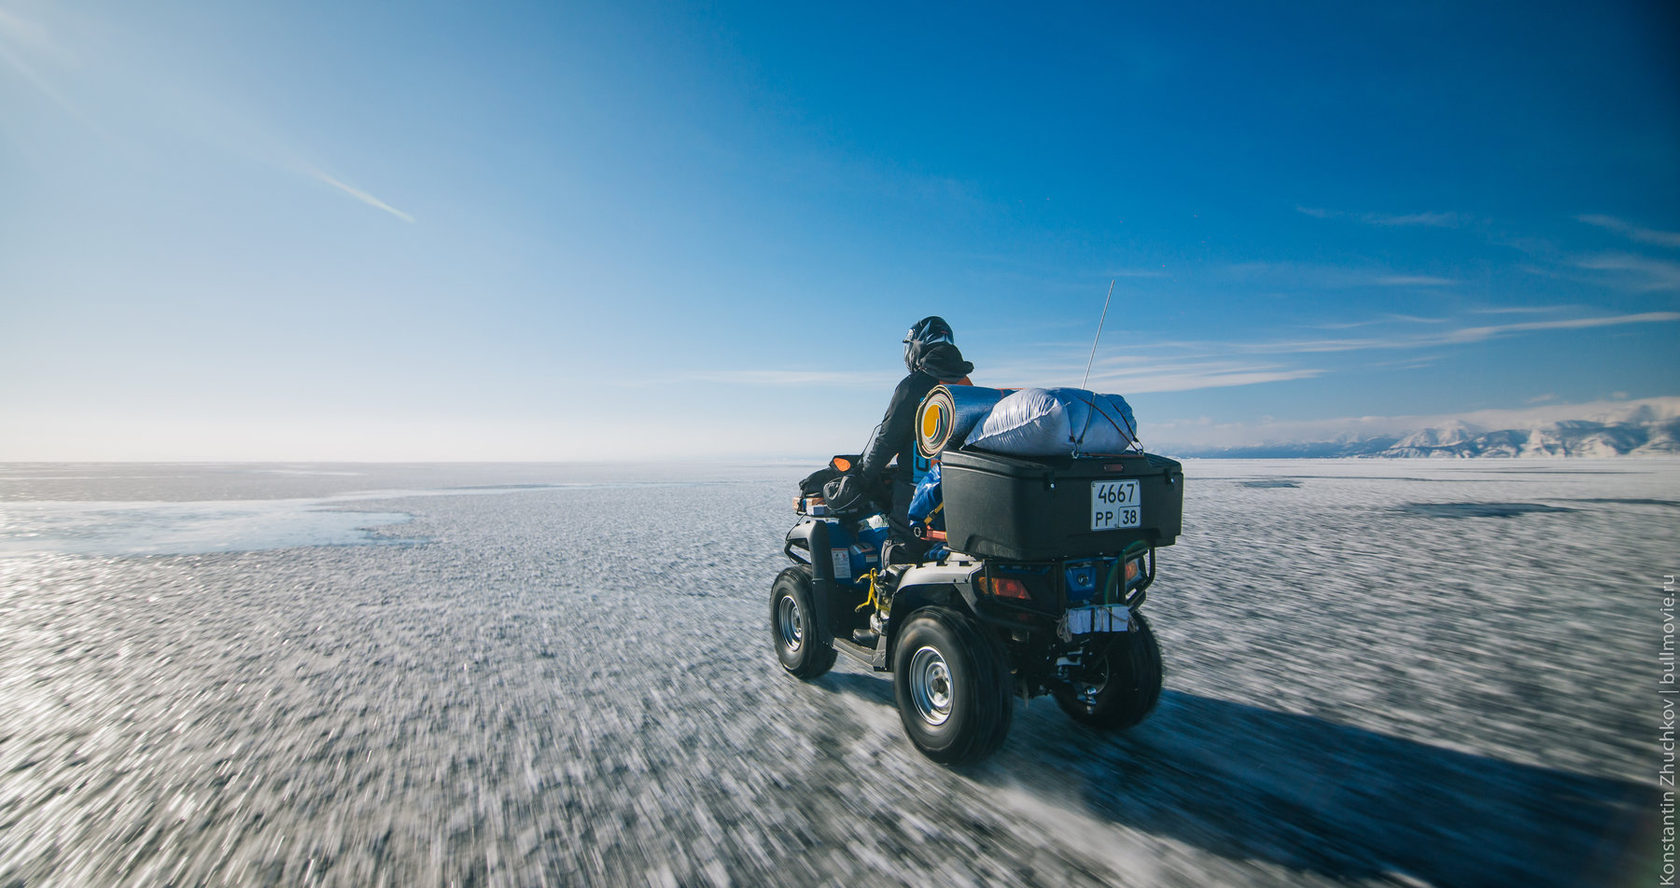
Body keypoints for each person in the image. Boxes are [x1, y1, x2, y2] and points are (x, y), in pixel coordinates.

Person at [852, 316, 974, 527]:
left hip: (916, 490)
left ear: (918, 346)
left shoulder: (912, 386)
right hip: (958, 490)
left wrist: (862, 478)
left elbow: (888, 439)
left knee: (900, 551)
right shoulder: (967, 386)